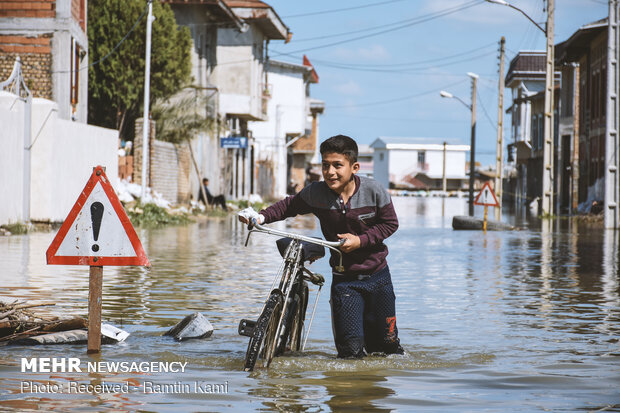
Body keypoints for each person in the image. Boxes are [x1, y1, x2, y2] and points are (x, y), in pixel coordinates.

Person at [238, 134, 404, 358]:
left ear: (354, 167)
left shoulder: (374, 190)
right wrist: (260, 217)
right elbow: (288, 206)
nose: (330, 172)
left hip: (378, 277)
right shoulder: (316, 192)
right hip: (345, 281)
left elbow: (390, 224)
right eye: (325, 165)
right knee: (350, 352)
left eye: (337, 165)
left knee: (387, 346)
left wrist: (360, 241)